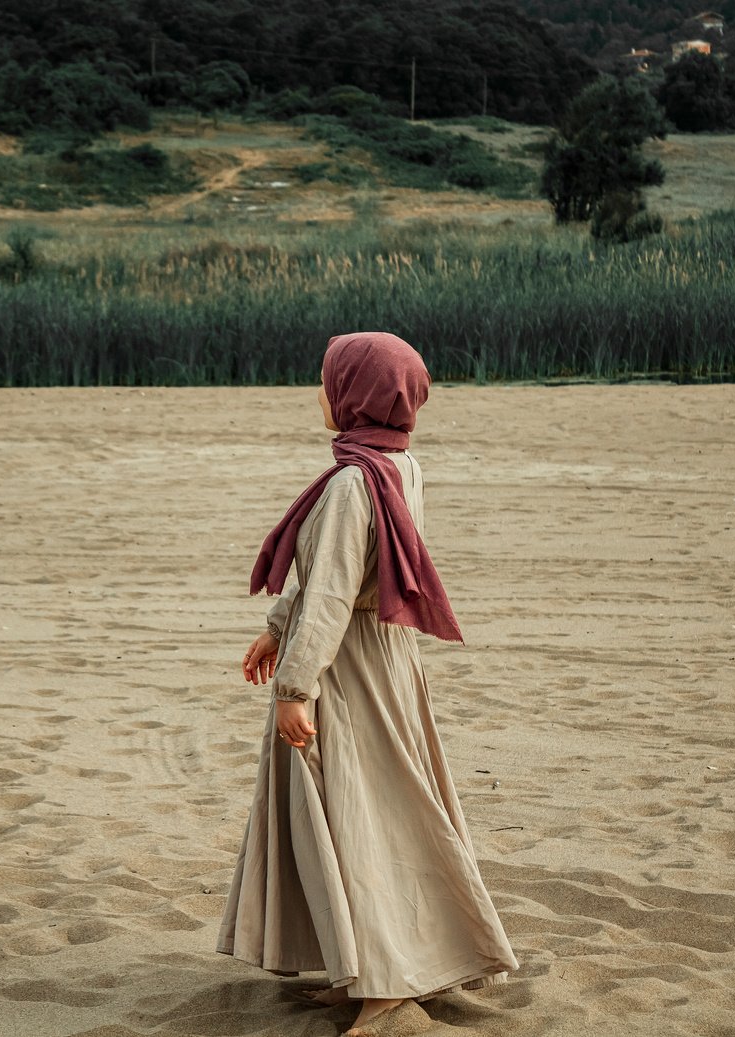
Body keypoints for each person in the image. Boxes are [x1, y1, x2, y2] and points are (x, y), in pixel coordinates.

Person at [216, 332, 518, 1036]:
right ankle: (371, 967)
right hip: (384, 655)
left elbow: (331, 591)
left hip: (348, 666)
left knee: (364, 813)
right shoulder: (397, 466)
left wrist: (295, 683)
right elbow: (332, 574)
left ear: (356, 396)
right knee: (381, 805)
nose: (321, 395)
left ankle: (388, 981)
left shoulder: (355, 482)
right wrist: (277, 620)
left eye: (329, 383)